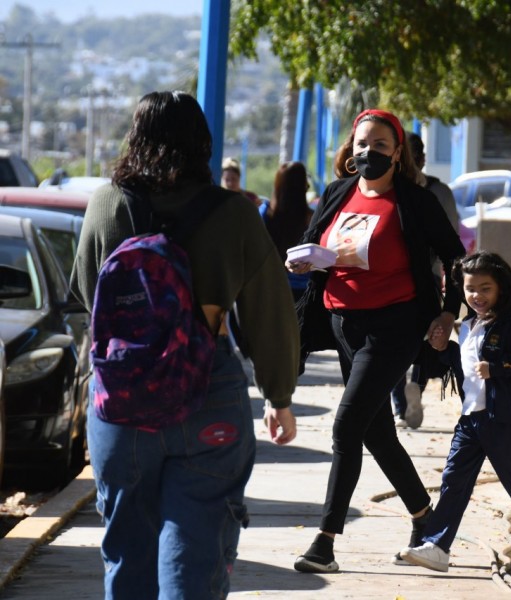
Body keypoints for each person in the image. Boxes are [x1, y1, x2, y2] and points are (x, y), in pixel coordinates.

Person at [70, 90, 300, 599]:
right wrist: (279, 396)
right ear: (202, 145)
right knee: (196, 551)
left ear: (136, 138)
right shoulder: (234, 214)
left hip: (123, 397)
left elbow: (89, 294)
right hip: (207, 390)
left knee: (128, 549)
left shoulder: (106, 204)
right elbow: (269, 310)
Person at [287, 108, 465, 573]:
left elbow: (454, 257)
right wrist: (304, 262)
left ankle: (324, 543)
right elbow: (315, 244)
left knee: (346, 427)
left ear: (397, 152)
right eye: (363, 144)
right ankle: (426, 519)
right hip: (345, 324)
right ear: (352, 148)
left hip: (396, 326)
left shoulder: (414, 201)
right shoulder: (338, 192)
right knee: (376, 433)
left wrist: (449, 309)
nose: (370, 152)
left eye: (381, 145)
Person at [399, 251, 511, 579]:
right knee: (453, 480)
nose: (478, 296)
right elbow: (465, 369)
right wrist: (444, 349)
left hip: (502, 420)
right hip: (470, 420)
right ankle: (437, 547)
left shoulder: (509, 325)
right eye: (471, 289)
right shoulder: (470, 325)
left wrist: (497, 369)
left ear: (501, 288)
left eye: (485, 288)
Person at [391, 131, 461, 429]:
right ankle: (416, 389)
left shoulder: (387, 189)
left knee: (393, 346)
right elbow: (453, 242)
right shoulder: (439, 191)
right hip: (428, 279)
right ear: (421, 158)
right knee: (427, 338)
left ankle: (399, 405)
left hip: (392, 281)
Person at [260, 161, 314, 301]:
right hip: (305, 290)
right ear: (304, 186)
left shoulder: (266, 214)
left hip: (271, 287)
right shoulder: (312, 218)